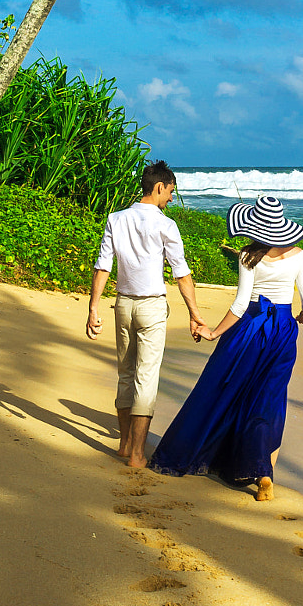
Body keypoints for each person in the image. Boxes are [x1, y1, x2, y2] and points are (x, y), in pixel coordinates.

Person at [149, 194, 303, 501]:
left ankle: (209, 454)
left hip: (250, 328)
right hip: (282, 330)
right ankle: (265, 474)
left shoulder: (247, 256)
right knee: (272, 397)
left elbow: (241, 305)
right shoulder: (299, 255)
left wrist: (213, 333)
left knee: (227, 389)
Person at [87, 160, 207, 470]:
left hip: (123, 305)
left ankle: (124, 444)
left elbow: (103, 265)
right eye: (170, 191)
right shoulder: (165, 225)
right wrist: (195, 314)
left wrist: (93, 308)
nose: (171, 198)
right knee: (145, 378)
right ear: (158, 187)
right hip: (151, 307)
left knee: (126, 375)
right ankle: (138, 454)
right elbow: (181, 274)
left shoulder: (116, 219)